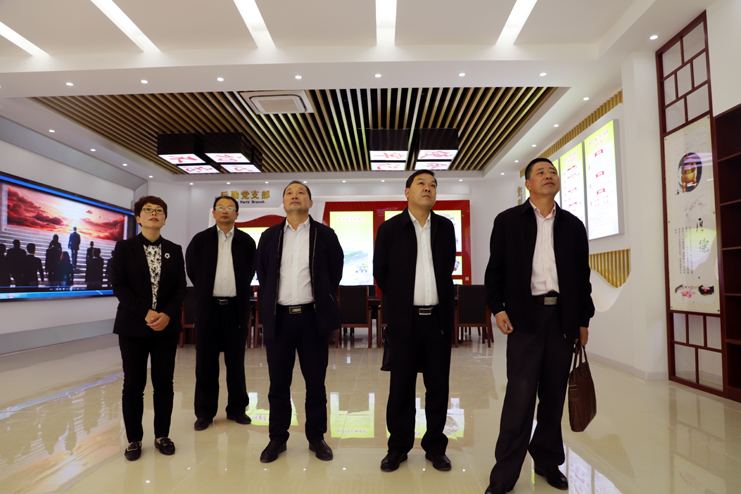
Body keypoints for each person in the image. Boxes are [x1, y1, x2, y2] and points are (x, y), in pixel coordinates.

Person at [482, 158, 595, 494]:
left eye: (553, 172)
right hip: (524, 318)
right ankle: (504, 475)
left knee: (553, 396)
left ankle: (547, 462)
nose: (549, 176)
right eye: (541, 172)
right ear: (528, 184)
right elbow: (495, 271)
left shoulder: (573, 226)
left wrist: (583, 320)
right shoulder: (508, 221)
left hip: (562, 319)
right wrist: (498, 308)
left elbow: (582, 279)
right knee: (519, 398)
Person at [373, 170, 457, 473]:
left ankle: (435, 446)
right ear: (407, 191)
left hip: (438, 320)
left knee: (438, 386)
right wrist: (400, 302)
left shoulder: (445, 227)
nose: (428, 188)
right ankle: (398, 446)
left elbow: (447, 267)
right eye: (421, 183)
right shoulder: (390, 229)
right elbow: (381, 272)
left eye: (433, 185)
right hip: (403, 321)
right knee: (401, 387)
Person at [255, 181, 343, 463]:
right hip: (279, 319)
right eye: (290, 193)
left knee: (316, 383)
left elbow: (335, 272)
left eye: (301, 192)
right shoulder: (269, 236)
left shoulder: (325, 234)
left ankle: (316, 437)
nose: (295, 196)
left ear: (310, 202)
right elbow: (264, 275)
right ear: (283, 203)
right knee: (278, 384)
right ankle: (277, 438)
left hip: (312, 319)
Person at [110, 196, 186, 461]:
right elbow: (119, 285)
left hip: (166, 327)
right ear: (138, 217)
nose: (154, 213)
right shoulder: (125, 247)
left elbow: (180, 288)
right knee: (134, 384)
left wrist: (167, 314)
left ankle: (162, 435)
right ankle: (134, 439)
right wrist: (146, 312)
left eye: (159, 210)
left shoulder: (174, 249)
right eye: (148, 210)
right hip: (133, 325)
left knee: (164, 383)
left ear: (164, 218)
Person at [185, 196, 256, 431]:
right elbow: (192, 270)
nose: (225, 211)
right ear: (214, 213)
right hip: (208, 308)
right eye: (220, 208)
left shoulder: (246, 241)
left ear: (237, 214)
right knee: (205, 363)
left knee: (236, 362)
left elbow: (250, 271)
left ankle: (237, 409)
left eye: (230, 208)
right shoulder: (200, 240)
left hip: (236, 308)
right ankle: (205, 413)